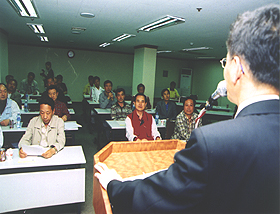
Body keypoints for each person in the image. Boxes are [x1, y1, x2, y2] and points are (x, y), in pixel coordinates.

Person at [94, 5, 279, 213]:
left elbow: (158, 197)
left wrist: (115, 184)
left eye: (225, 62)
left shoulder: (212, 143)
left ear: (236, 68)